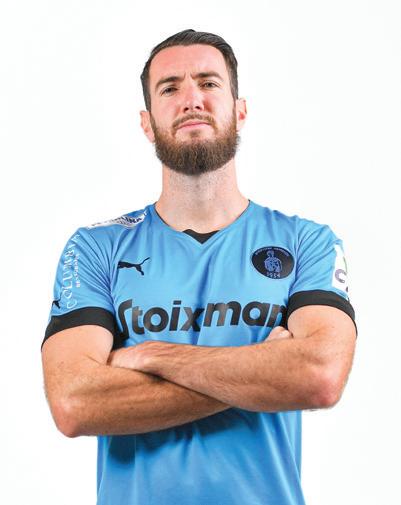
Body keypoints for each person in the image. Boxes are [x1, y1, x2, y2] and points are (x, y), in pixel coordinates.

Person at [41, 28, 357, 505]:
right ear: (147, 123)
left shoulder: (306, 241)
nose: (192, 100)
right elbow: (73, 402)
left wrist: (152, 356)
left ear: (240, 109)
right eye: (170, 88)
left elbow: (320, 376)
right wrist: (266, 372)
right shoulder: (95, 248)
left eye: (209, 83)